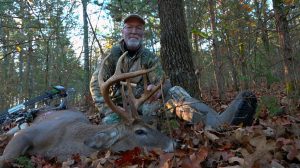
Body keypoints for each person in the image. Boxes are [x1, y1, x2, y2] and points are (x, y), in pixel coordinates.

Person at [90, 14, 257, 128]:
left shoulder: (149, 57)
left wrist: (158, 89)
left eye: (139, 28)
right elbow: (96, 85)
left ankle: (218, 122)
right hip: (120, 109)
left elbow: (163, 81)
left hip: (146, 104)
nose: (134, 31)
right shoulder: (111, 56)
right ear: (123, 31)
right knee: (111, 126)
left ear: (143, 33)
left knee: (174, 92)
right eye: (130, 27)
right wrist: (107, 109)